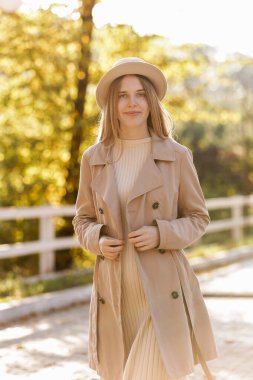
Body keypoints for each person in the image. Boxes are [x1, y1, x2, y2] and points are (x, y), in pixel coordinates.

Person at [72, 57, 217, 380]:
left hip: (162, 291)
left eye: (140, 94)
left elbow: (197, 217)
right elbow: (81, 220)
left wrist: (161, 234)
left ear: (151, 101)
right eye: (123, 95)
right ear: (112, 103)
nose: (132, 103)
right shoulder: (93, 159)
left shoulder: (176, 155)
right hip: (115, 291)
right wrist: (97, 239)